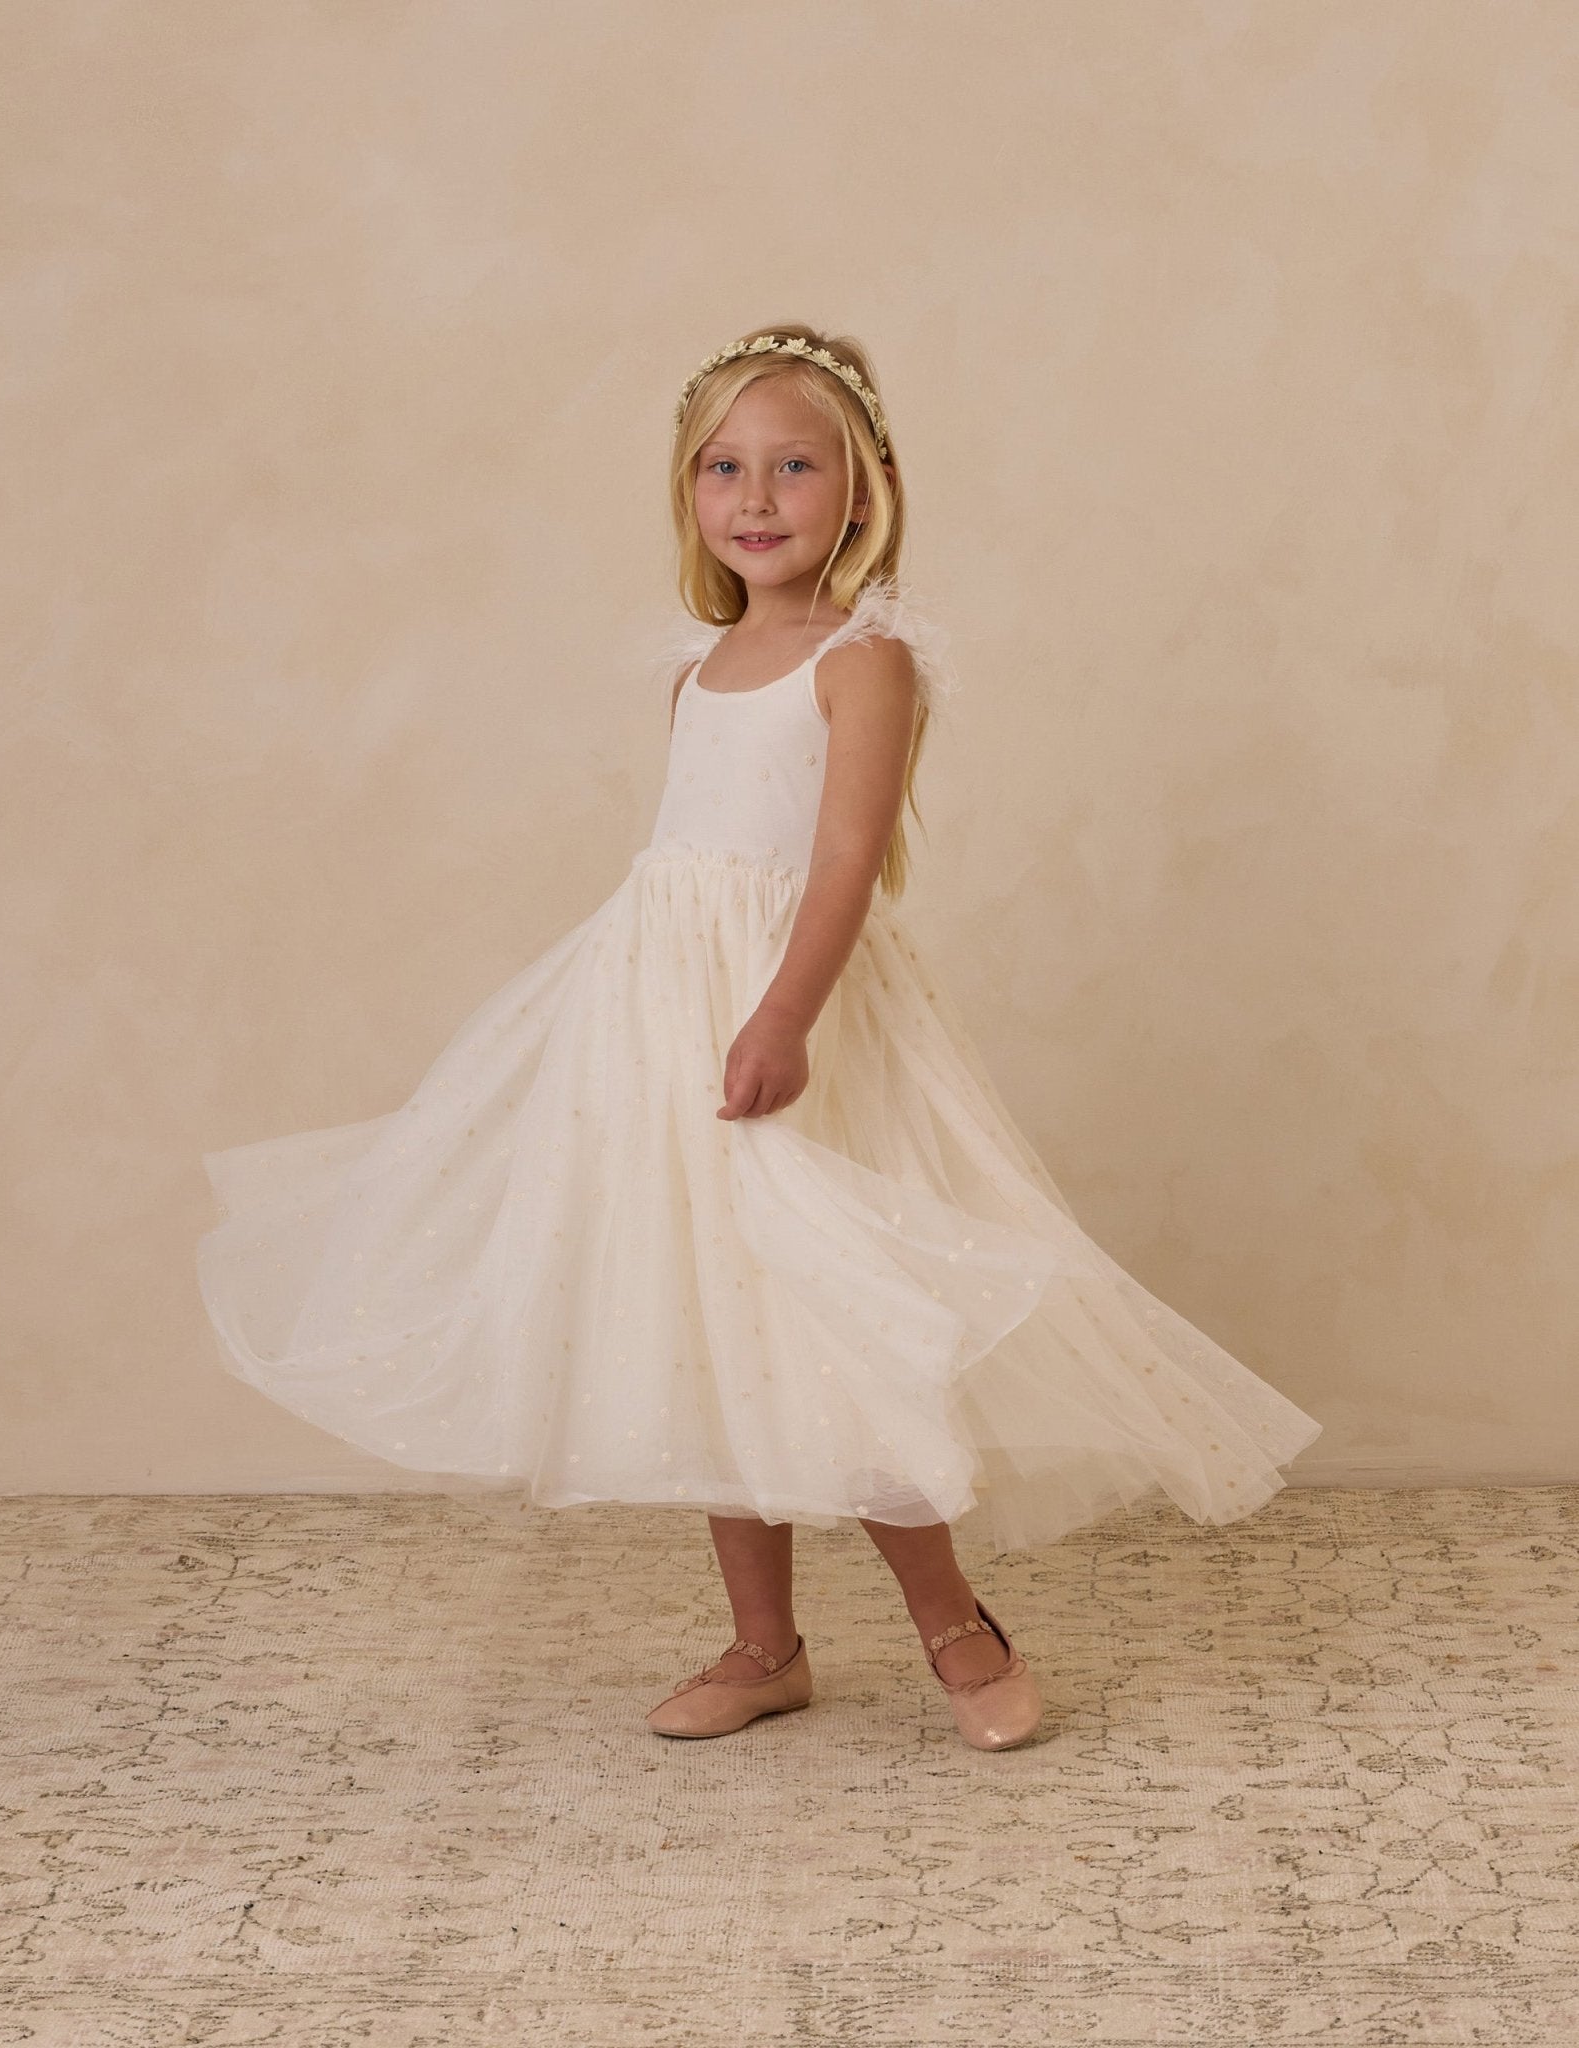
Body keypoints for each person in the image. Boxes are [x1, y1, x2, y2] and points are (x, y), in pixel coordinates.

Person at [197, 323, 1323, 1754]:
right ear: (687, 491)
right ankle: (763, 1645)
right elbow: (684, 864)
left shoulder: (866, 659)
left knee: (834, 1319)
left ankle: (956, 1628)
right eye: (722, 467)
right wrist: (655, 1019)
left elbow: (841, 858)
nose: (756, 496)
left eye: (794, 466)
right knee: (707, 1319)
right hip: (656, 1014)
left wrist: (782, 1013)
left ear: (863, 488)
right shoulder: (697, 670)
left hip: (796, 1015)